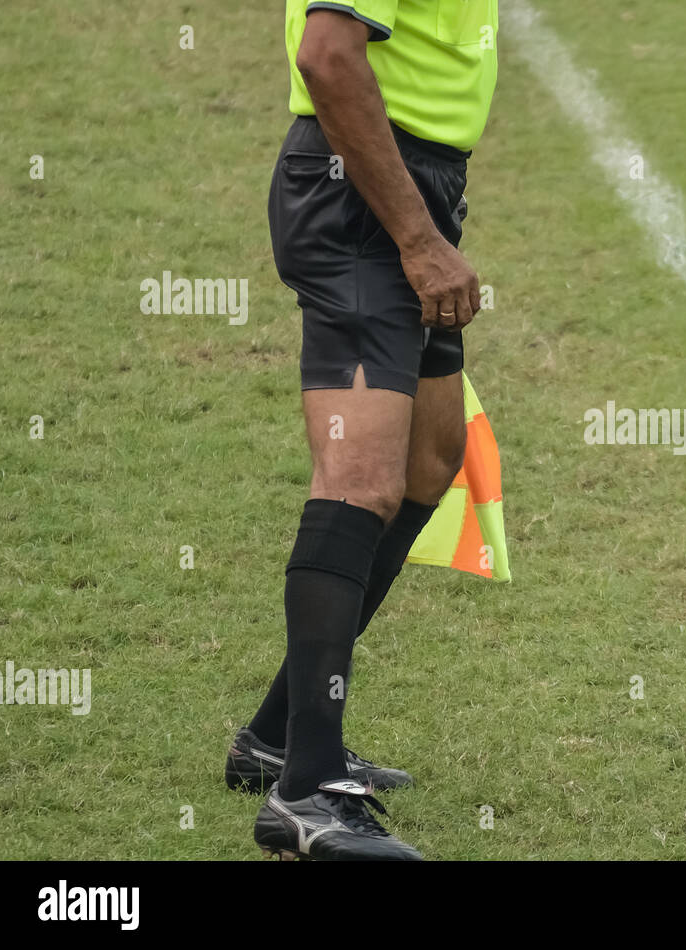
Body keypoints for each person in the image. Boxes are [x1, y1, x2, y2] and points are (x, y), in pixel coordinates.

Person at [226, 0, 499, 861]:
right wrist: (417, 240)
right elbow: (328, 57)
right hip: (363, 200)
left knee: (428, 464)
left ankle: (276, 734)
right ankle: (306, 794)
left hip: (416, 185)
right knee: (360, 479)